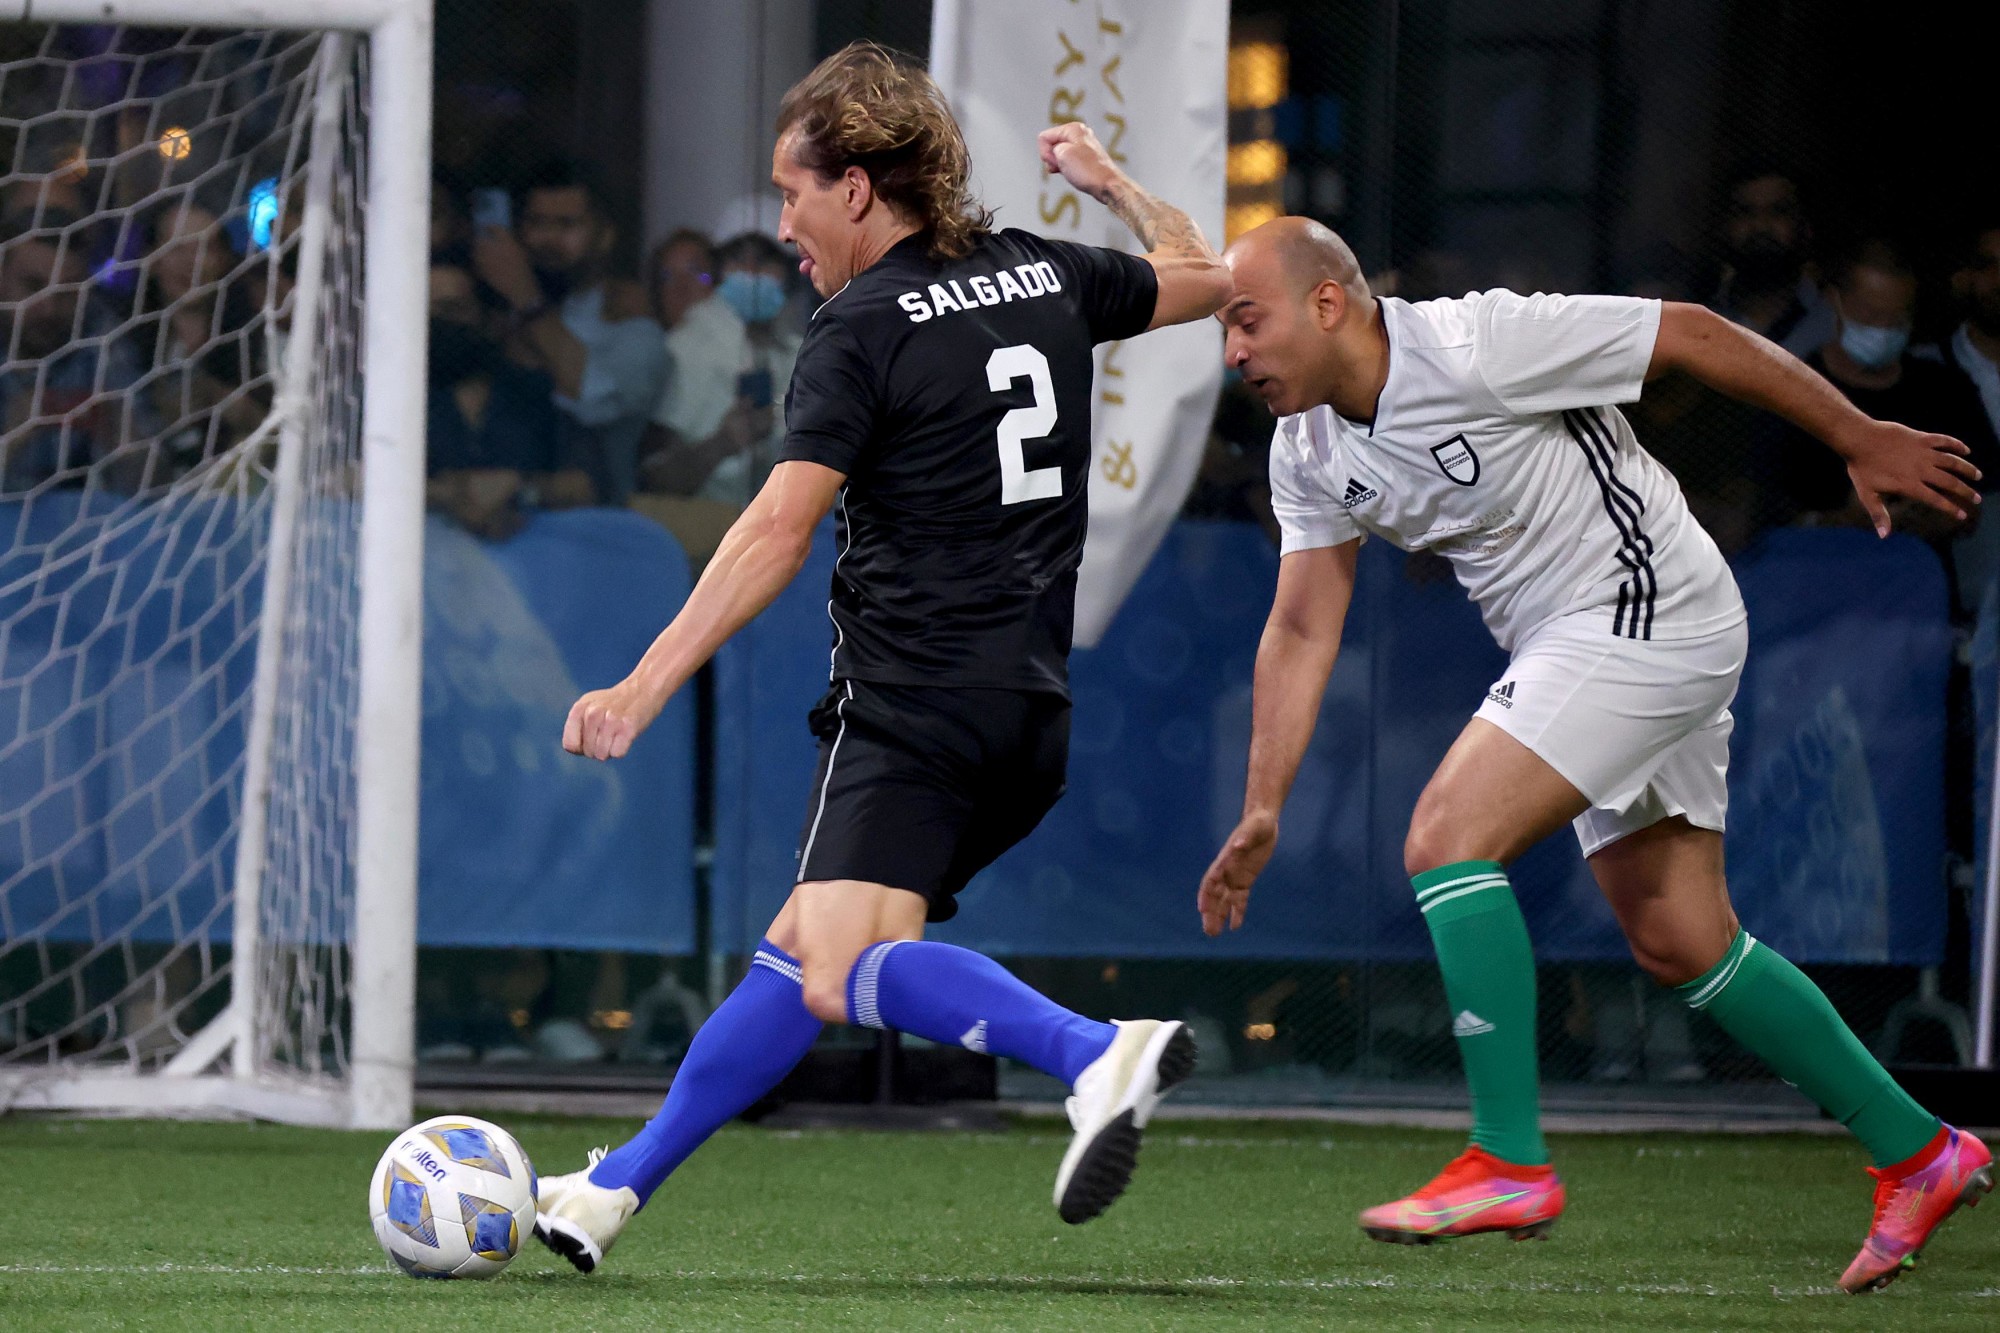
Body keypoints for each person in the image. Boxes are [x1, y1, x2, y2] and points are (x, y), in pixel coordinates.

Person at [529, 43, 1230, 1273]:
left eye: (794, 193)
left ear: (856, 188)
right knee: (803, 947)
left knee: (834, 967)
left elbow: (773, 532)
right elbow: (1207, 277)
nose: (785, 224)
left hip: (907, 705)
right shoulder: (1043, 276)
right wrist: (1112, 182)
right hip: (1029, 714)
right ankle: (610, 1190)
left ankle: (1091, 1054)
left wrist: (640, 685)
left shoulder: (856, 327)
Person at [1199, 216, 1991, 1293]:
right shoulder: (1308, 450)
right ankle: (1919, 1149)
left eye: (1245, 321)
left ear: (1327, 303)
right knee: (1679, 940)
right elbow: (1299, 628)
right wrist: (1260, 807)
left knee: (1445, 835)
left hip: (1645, 608)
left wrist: (1858, 434)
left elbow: (1693, 334)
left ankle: (1507, 1159)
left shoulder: (1477, 344)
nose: (1232, 351)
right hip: (1583, 637)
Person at [1774, 240, 2000, 615]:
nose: (1884, 330)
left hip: (1922, 607)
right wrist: (1843, 522)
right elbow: (1764, 514)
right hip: (1814, 603)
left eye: (1896, 319)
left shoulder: (1946, 390)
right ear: (1835, 302)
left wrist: (1936, 515)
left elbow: (1981, 497)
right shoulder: (1790, 393)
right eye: (1871, 315)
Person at [472, 161, 667, 503]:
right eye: (536, 223)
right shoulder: (492, 312)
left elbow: (596, 400)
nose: (547, 239)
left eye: (566, 225)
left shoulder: (633, 329)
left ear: (604, 236)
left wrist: (526, 297)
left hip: (590, 524)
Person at [425, 262, 596, 540]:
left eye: (450, 310)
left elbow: (583, 486)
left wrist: (519, 488)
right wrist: (445, 494)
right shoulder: (383, 401)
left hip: (526, 567)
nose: (433, 322)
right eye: (423, 311)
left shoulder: (532, 394)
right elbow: (342, 478)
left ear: (490, 320)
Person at [0, 208, 155, 494]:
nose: (48, 309)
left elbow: (151, 484)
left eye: (66, 293)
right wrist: (10, 440)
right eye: (33, 286)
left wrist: (121, 436)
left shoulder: (101, 336)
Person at [1705, 166, 1833, 357]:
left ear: (1805, 228)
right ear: (1724, 227)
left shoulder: (1834, 323)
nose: (1761, 226)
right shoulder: (1700, 315)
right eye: (1745, 212)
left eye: (1778, 211)